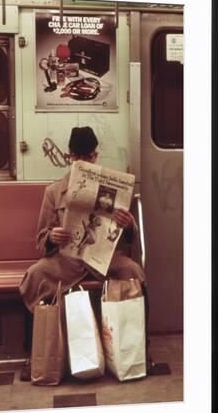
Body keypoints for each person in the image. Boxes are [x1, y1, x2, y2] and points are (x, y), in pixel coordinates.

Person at [19, 126, 150, 380]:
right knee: (35, 275)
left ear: (95, 156)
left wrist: (129, 223)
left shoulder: (115, 185)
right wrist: (52, 237)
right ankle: (33, 355)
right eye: (76, 157)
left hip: (105, 258)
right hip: (68, 259)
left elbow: (129, 238)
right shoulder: (54, 191)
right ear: (70, 156)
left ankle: (142, 349)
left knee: (134, 272)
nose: (82, 162)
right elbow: (41, 238)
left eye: (87, 157)